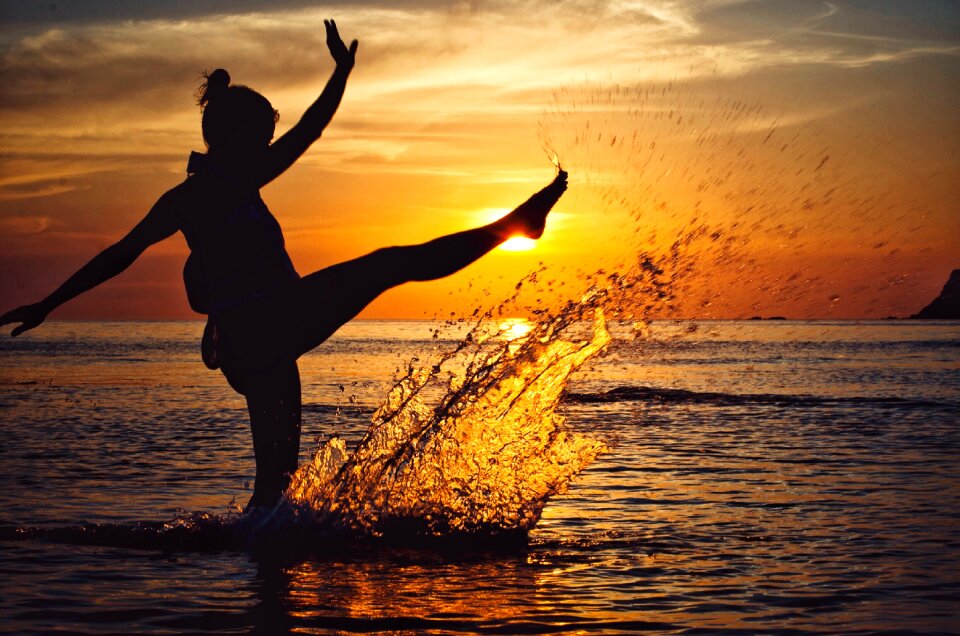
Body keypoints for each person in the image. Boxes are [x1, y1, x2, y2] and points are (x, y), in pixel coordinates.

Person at [0, 20, 568, 510]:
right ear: (232, 139)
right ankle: (513, 227)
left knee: (278, 482)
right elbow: (120, 255)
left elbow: (121, 253)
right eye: (262, 138)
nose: (270, 146)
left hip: (257, 341)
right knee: (387, 263)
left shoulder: (212, 190)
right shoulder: (219, 187)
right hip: (264, 325)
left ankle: (266, 573)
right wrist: (341, 74)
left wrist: (49, 305)